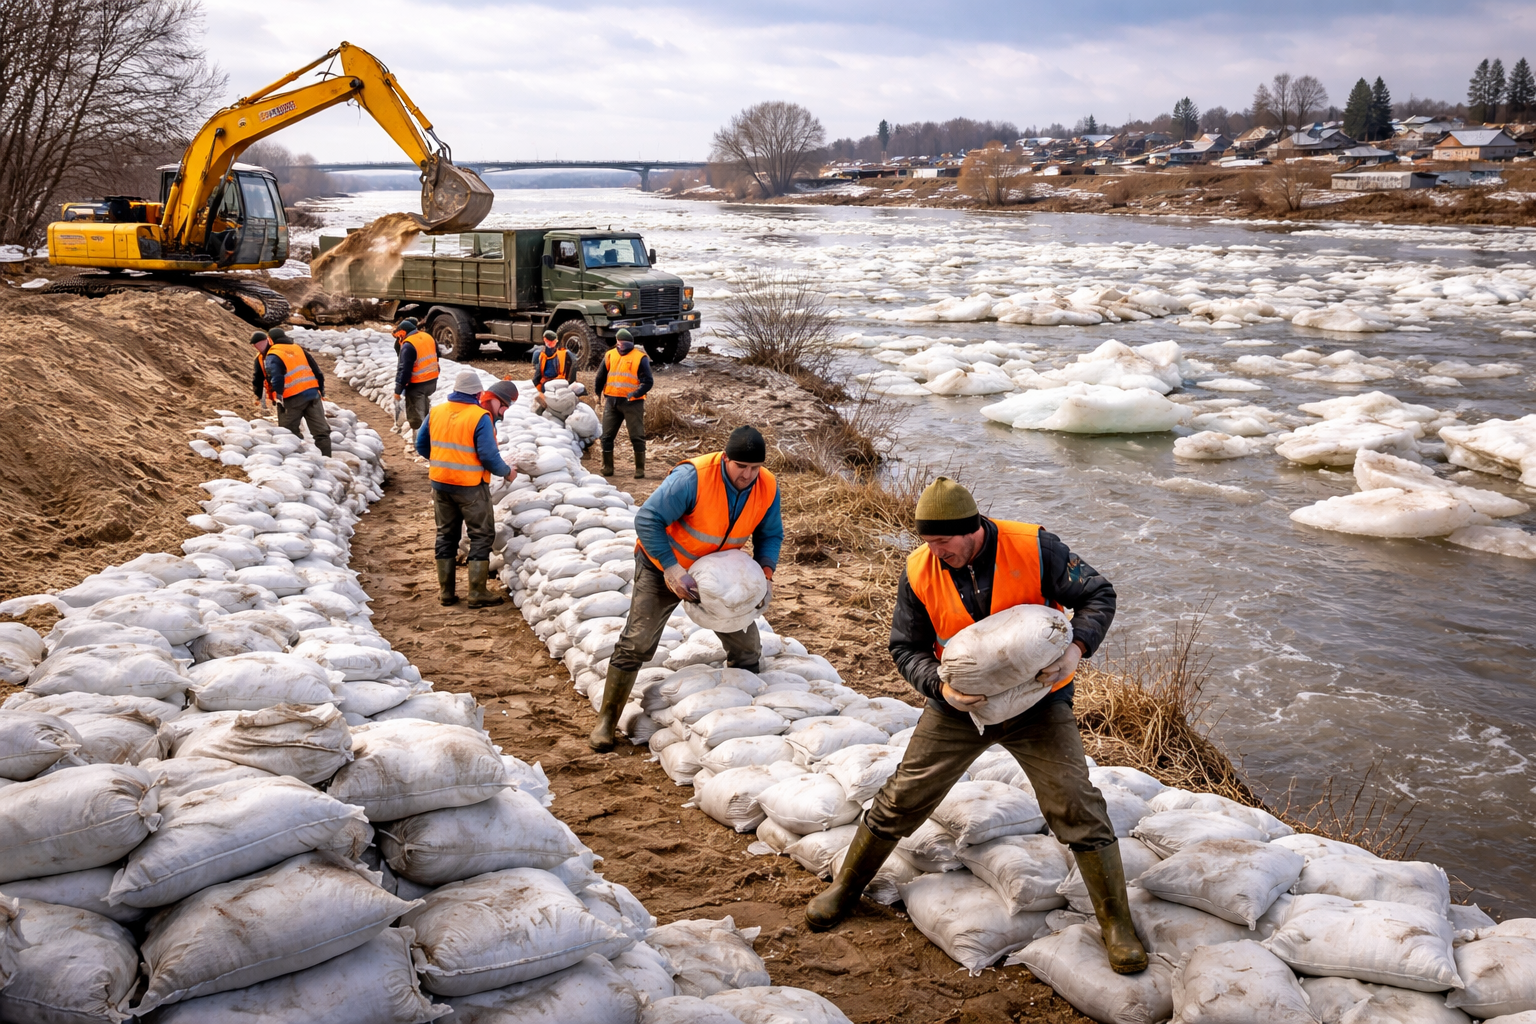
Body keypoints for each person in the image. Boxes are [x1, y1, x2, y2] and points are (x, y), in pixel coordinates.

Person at [804, 477, 1147, 975]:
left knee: (1075, 802)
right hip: (958, 708)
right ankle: (845, 888)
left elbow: (1098, 595)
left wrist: (1076, 650)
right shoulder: (920, 570)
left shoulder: (1035, 548)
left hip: (1037, 703)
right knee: (904, 794)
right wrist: (940, 689)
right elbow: (905, 647)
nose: (935, 551)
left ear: (971, 530)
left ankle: (1117, 926)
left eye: (943, 541)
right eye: (928, 542)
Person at [589, 425, 782, 751]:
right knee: (638, 642)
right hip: (665, 565)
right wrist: (672, 568)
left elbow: (770, 533)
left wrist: (766, 574)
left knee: (747, 648)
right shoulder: (694, 478)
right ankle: (607, 721)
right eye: (741, 467)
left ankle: (742, 719)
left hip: (719, 577)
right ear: (725, 459)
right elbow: (648, 518)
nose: (748, 475)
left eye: (755, 468)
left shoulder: (767, 486)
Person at [415, 369, 518, 609]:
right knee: (481, 535)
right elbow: (489, 457)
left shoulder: (436, 411)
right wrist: (507, 472)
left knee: (445, 535)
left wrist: (443, 460)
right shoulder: (479, 416)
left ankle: (446, 593)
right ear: (479, 393)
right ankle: (477, 593)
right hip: (470, 487)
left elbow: (421, 444)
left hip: (440, 484)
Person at [250, 328, 331, 457]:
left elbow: (276, 376)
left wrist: (278, 396)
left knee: (288, 433)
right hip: (312, 395)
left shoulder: (273, 354)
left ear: (269, 340)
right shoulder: (298, 349)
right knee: (321, 432)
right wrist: (321, 391)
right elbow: (317, 371)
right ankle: (327, 459)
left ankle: (299, 460)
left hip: (292, 399)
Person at [593, 328, 652, 478]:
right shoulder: (609, 355)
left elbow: (648, 382)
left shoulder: (640, 358)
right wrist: (597, 394)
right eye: (620, 343)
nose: (622, 345)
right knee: (606, 436)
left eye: (625, 343)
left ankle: (640, 469)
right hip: (611, 402)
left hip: (632, 403)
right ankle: (607, 467)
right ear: (617, 342)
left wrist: (635, 394)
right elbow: (600, 377)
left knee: (636, 436)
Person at [392, 318, 439, 434]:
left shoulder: (409, 345)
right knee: (424, 410)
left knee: (417, 418)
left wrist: (398, 389)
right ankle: (428, 437)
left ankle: (420, 446)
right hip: (432, 381)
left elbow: (404, 370)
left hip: (417, 385)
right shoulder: (428, 337)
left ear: (403, 333)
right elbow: (437, 356)